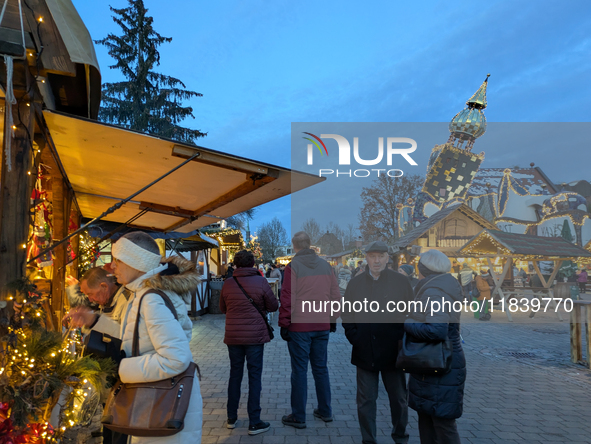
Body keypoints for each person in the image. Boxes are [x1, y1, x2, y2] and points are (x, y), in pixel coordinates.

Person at [66, 231, 203, 444]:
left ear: (135, 262)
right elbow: (135, 336)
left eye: (117, 260)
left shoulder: (150, 299)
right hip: (158, 404)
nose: (111, 267)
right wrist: (93, 321)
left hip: (162, 406)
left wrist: (122, 368)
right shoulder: (144, 294)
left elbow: (176, 358)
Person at [342, 241, 414, 444]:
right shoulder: (355, 283)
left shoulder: (400, 282)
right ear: (366, 258)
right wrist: (355, 337)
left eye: (380, 256)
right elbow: (347, 314)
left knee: (399, 400)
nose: (376, 260)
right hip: (365, 351)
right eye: (372, 256)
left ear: (387, 258)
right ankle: (368, 440)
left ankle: (400, 436)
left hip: (394, 352)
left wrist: (403, 339)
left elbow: (413, 312)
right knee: (365, 402)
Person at [278, 231, 341, 429]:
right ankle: (325, 410)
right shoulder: (326, 266)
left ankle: (298, 415)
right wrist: (331, 319)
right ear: (310, 244)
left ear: (294, 246)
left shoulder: (293, 267)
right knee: (321, 369)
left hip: (300, 326)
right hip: (321, 324)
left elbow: (288, 296)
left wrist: (284, 323)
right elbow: (335, 296)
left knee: (299, 370)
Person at [405, 249, 466, 444]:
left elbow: (437, 330)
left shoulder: (434, 292)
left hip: (440, 364)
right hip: (435, 362)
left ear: (421, 270)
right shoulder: (440, 287)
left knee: (441, 422)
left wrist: (406, 322)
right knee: (429, 417)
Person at [65, 267, 130, 444]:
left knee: (118, 428)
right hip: (112, 377)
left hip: (126, 376)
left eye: (91, 294)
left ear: (103, 286)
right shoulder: (107, 301)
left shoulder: (126, 300)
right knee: (109, 422)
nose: (89, 299)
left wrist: (93, 320)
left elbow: (127, 337)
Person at [220, 250, 278, 435]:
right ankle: (254, 421)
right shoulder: (261, 282)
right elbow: (273, 305)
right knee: (254, 377)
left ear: (235, 264)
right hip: (255, 337)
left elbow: (223, 308)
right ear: (253, 263)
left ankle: (231, 417)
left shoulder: (228, 283)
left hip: (234, 336)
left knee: (235, 375)